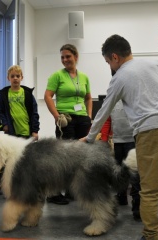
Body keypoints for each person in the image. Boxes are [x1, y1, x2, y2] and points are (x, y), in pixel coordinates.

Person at [79, 34, 158, 240]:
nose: (110, 65)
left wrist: (91, 138)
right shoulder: (156, 64)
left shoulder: (119, 77)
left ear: (114, 57)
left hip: (149, 131)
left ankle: (150, 235)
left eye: (108, 62)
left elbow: (103, 112)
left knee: (150, 190)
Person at [44, 43, 92, 205]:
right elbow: (48, 96)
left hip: (82, 119)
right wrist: (57, 116)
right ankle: (53, 192)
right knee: (63, 157)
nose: (65, 60)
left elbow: (88, 98)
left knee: (80, 157)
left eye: (68, 56)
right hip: (66, 120)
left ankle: (72, 191)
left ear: (76, 57)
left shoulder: (84, 77)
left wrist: (89, 116)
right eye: (62, 57)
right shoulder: (57, 76)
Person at [0, 65, 40, 188]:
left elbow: (34, 113)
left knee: (28, 161)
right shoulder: (4, 95)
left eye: (17, 76)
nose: (15, 78)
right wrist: (4, 123)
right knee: (12, 161)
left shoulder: (28, 94)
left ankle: (29, 186)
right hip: (12, 134)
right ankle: (14, 187)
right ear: (8, 78)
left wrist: (35, 130)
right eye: (12, 76)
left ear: (22, 77)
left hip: (27, 132)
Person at [100, 99, 141, 221]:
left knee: (134, 175)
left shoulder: (133, 97)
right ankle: (121, 196)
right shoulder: (111, 98)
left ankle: (137, 206)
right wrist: (103, 139)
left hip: (133, 140)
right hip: (117, 141)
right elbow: (107, 120)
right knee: (118, 171)